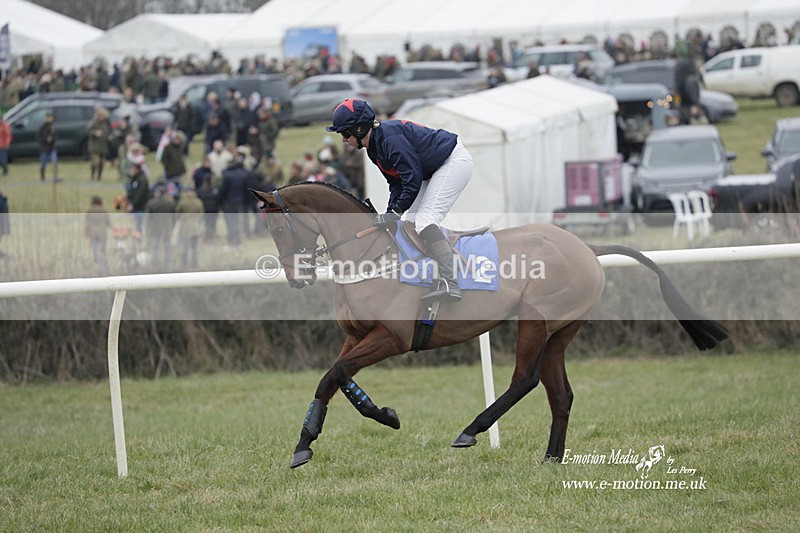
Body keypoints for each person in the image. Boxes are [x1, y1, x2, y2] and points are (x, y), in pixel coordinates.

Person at [326, 98, 473, 301]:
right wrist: (390, 212)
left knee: (424, 221)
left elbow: (411, 179)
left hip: (452, 162)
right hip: (429, 170)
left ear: (359, 129)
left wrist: (395, 212)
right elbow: (397, 183)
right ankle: (428, 276)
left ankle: (451, 281)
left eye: (344, 133)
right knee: (409, 224)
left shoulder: (389, 139)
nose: (343, 139)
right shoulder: (373, 149)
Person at [175, 188, 205, 269]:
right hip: (192, 227)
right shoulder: (198, 202)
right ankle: (193, 263)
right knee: (191, 248)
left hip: (187, 228)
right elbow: (201, 214)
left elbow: (177, 213)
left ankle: (187, 263)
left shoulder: (183, 202)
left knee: (188, 248)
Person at [84, 196, 113, 274]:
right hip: (102, 234)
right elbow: (108, 223)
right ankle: (105, 267)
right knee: (103, 251)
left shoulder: (89, 211)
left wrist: (86, 235)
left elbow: (87, 224)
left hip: (93, 234)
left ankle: (96, 267)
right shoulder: (103, 211)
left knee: (95, 251)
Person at [87, 107, 112, 181]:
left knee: (102, 163)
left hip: (103, 146)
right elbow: (88, 131)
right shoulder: (93, 122)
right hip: (94, 146)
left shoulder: (106, 123)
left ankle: (99, 177)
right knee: (96, 162)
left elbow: (109, 131)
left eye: (104, 116)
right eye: (101, 115)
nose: (102, 117)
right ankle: (92, 175)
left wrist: (109, 136)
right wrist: (95, 133)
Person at [38, 113, 59, 182]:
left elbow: (56, 137)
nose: (49, 119)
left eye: (50, 118)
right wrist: (46, 139)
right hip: (44, 148)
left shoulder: (53, 127)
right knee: (43, 164)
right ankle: (42, 178)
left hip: (52, 148)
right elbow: (38, 138)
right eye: (48, 118)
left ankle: (55, 177)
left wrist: (52, 139)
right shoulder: (41, 128)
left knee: (54, 162)